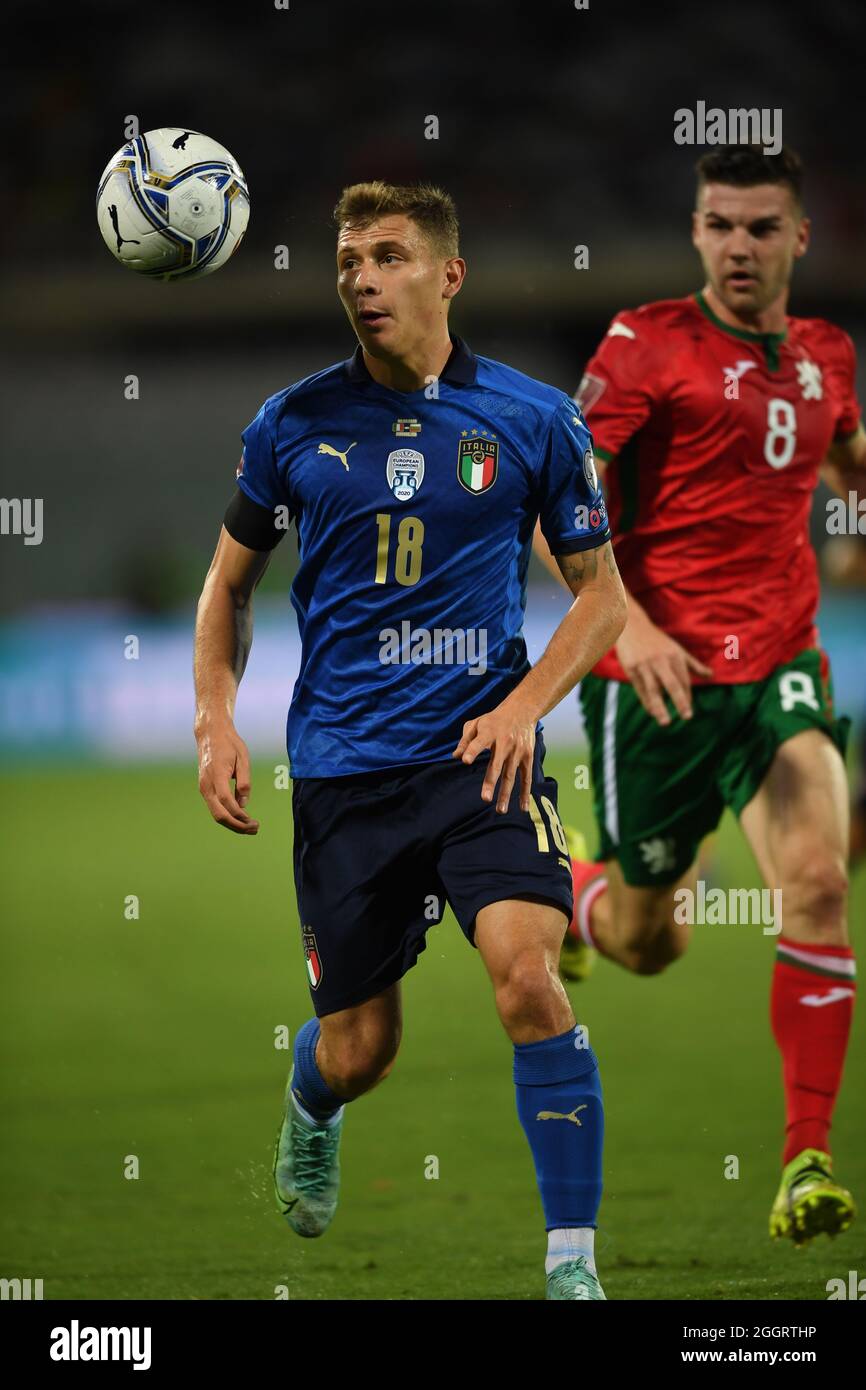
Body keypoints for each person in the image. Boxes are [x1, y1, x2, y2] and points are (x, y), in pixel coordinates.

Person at [193, 181, 626, 1299]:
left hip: (481, 759)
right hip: (343, 774)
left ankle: (571, 1265)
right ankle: (310, 1096)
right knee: (359, 1049)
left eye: (386, 256)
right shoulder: (288, 426)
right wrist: (211, 714)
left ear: (448, 275)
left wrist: (524, 703)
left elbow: (599, 599)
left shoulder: (533, 420)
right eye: (346, 260)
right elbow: (228, 586)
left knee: (529, 980)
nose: (361, 279)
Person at [535, 146, 864, 1246]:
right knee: (649, 941)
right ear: (694, 232)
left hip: (778, 662)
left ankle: (802, 1158)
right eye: (717, 225)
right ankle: (581, 889)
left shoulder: (826, 356)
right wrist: (629, 623)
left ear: (797, 240)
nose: (736, 246)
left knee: (816, 883)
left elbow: (844, 460)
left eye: (759, 227)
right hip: (657, 684)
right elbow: (554, 506)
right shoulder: (643, 346)